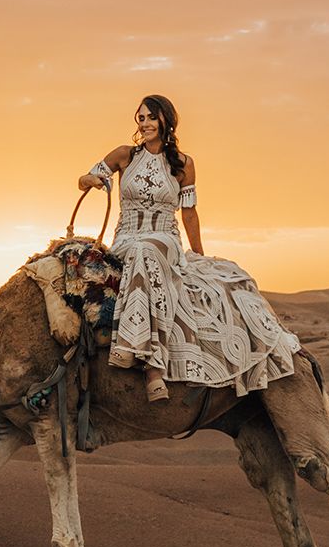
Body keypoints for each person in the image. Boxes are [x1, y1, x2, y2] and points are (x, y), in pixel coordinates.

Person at [78, 94, 300, 402]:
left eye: (151, 118)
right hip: (127, 237)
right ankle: (139, 354)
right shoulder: (124, 155)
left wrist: (197, 252)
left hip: (164, 238)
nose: (145, 124)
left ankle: (151, 364)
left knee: (148, 251)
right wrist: (90, 178)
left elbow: (189, 213)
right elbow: (86, 178)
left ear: (165, 120)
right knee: (139, 250)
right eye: (140, 118)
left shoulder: (183, 164)